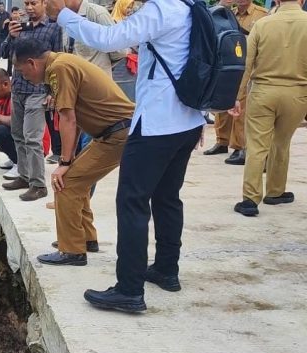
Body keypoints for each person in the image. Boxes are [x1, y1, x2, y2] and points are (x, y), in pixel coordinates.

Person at [46, 0, 206, 312]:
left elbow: (108, 40)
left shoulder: (160, 10)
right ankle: (166, 269)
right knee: (167, 198)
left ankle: (129, 289)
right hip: (188, 120)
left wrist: (63, 15)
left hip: (157, 123)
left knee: (131, 202)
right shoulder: (191, 7)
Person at [13, 39, 134, 266]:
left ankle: (72, 251)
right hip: (115, 132)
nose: (24, 77)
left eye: (22, 71)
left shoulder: (59, 68)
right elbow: (75, 119)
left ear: (32, 63)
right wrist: (69, 160)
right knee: (77, 179)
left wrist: (65, 163)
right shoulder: (62, 63)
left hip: (118, 133)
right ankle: (86, 239)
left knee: (65, 183)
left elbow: (68, 118)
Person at [229, 0, 307, 217]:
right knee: (281, 143)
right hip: (298, 94)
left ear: (277, 1)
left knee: (256, 146)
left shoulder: (262, 24)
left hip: (263, 92)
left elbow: (247, 64)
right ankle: (275, 191)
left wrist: (236, 97)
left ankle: (250, 200)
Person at [1, 0, 63, 202]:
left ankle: (38, 184)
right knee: (18, 134)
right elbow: (4, 54)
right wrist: (10, 37)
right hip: (18, 87)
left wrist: (53, 91)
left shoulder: (53, 29)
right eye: (26, 3)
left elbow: (59, 60)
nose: (29, 7)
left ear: (44, 3)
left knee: (32, 138)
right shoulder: (21, 27)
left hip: (38, 90)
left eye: (33, 3)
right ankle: (24, 176)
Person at [204, 0, 268, 165]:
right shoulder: (227, 12)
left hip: (248, 64)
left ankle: (240, 146)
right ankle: (222, 141)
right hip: (228, 63)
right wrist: (222, 4)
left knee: (241, 104)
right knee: (223, 101)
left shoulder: (261, 14)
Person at [0, 68, 53, 178]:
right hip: (18, 136)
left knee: (0, 132)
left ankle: (22, 165)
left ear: (5, 84)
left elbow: (17, 122)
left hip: (37, 146)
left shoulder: (17, 96)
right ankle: (15, 158)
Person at [61, 0, 125, 78]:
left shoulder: (97, 13)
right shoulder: (64, 18)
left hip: (97, 82)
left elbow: (119, 51)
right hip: (75, 82)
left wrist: (102, 66)